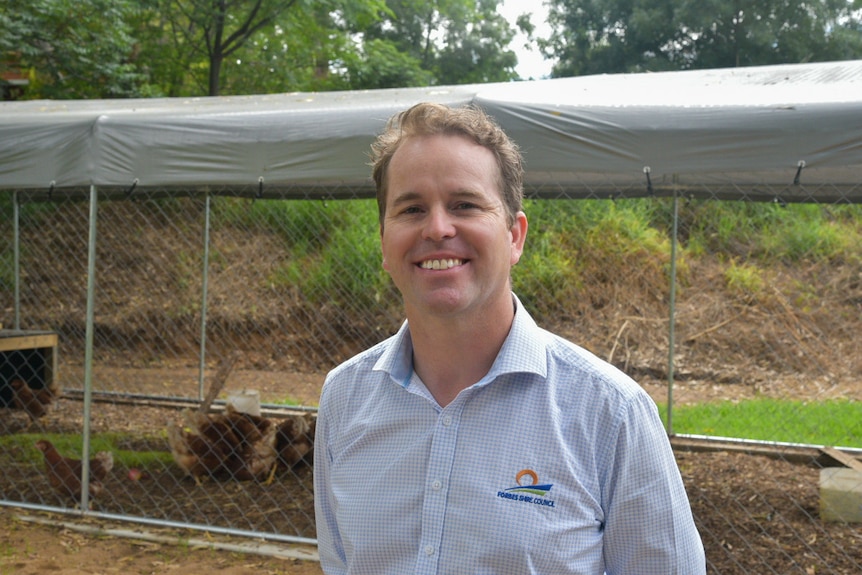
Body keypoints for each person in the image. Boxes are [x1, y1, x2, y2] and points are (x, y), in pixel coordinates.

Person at [313, 102, 706, 575]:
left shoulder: (609, 412)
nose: (438, 228)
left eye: (465, 204)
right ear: (383, 243)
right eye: (411, 208)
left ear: (515, 236)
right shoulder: (344, 397)